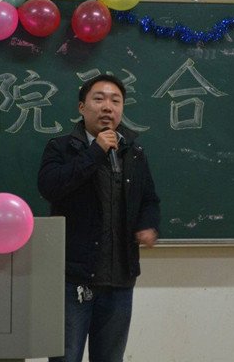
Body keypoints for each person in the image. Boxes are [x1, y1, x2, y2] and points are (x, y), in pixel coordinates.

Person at [38, 74, 161, 362]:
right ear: (82, 107)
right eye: (99, 99)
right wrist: (95, 151)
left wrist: (147, 225)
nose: (108, 107)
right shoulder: (60, 148)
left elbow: (149, 199)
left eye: (115, 101)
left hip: (119, 279)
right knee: (65, 357)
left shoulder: (133, 152)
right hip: (74, 279)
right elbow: (50, 187)